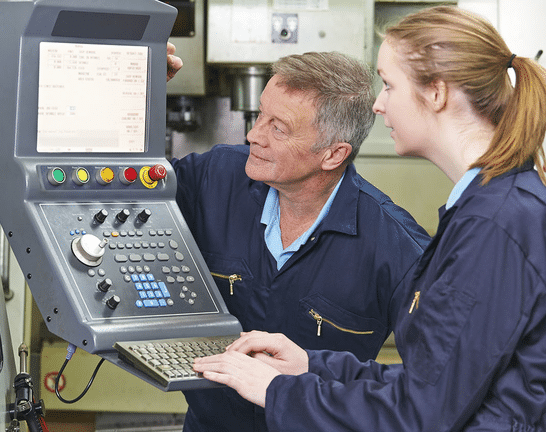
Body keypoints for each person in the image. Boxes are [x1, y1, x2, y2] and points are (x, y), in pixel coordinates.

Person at [192, 5, 546, 431]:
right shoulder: (490, 206)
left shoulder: (492, 224)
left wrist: (276, 391)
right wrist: (310, 365)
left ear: (436, 93)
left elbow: (421, 414)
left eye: (389, 85)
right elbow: (433, 384)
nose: (378, 105)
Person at [169, 50, 431, 431]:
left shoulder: (397, 250)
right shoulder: (215, 177)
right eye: (261, 115)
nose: (253, 135)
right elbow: (113, 189)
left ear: (333, 154)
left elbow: (437, 386)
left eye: (279, 127)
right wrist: (135, 90)